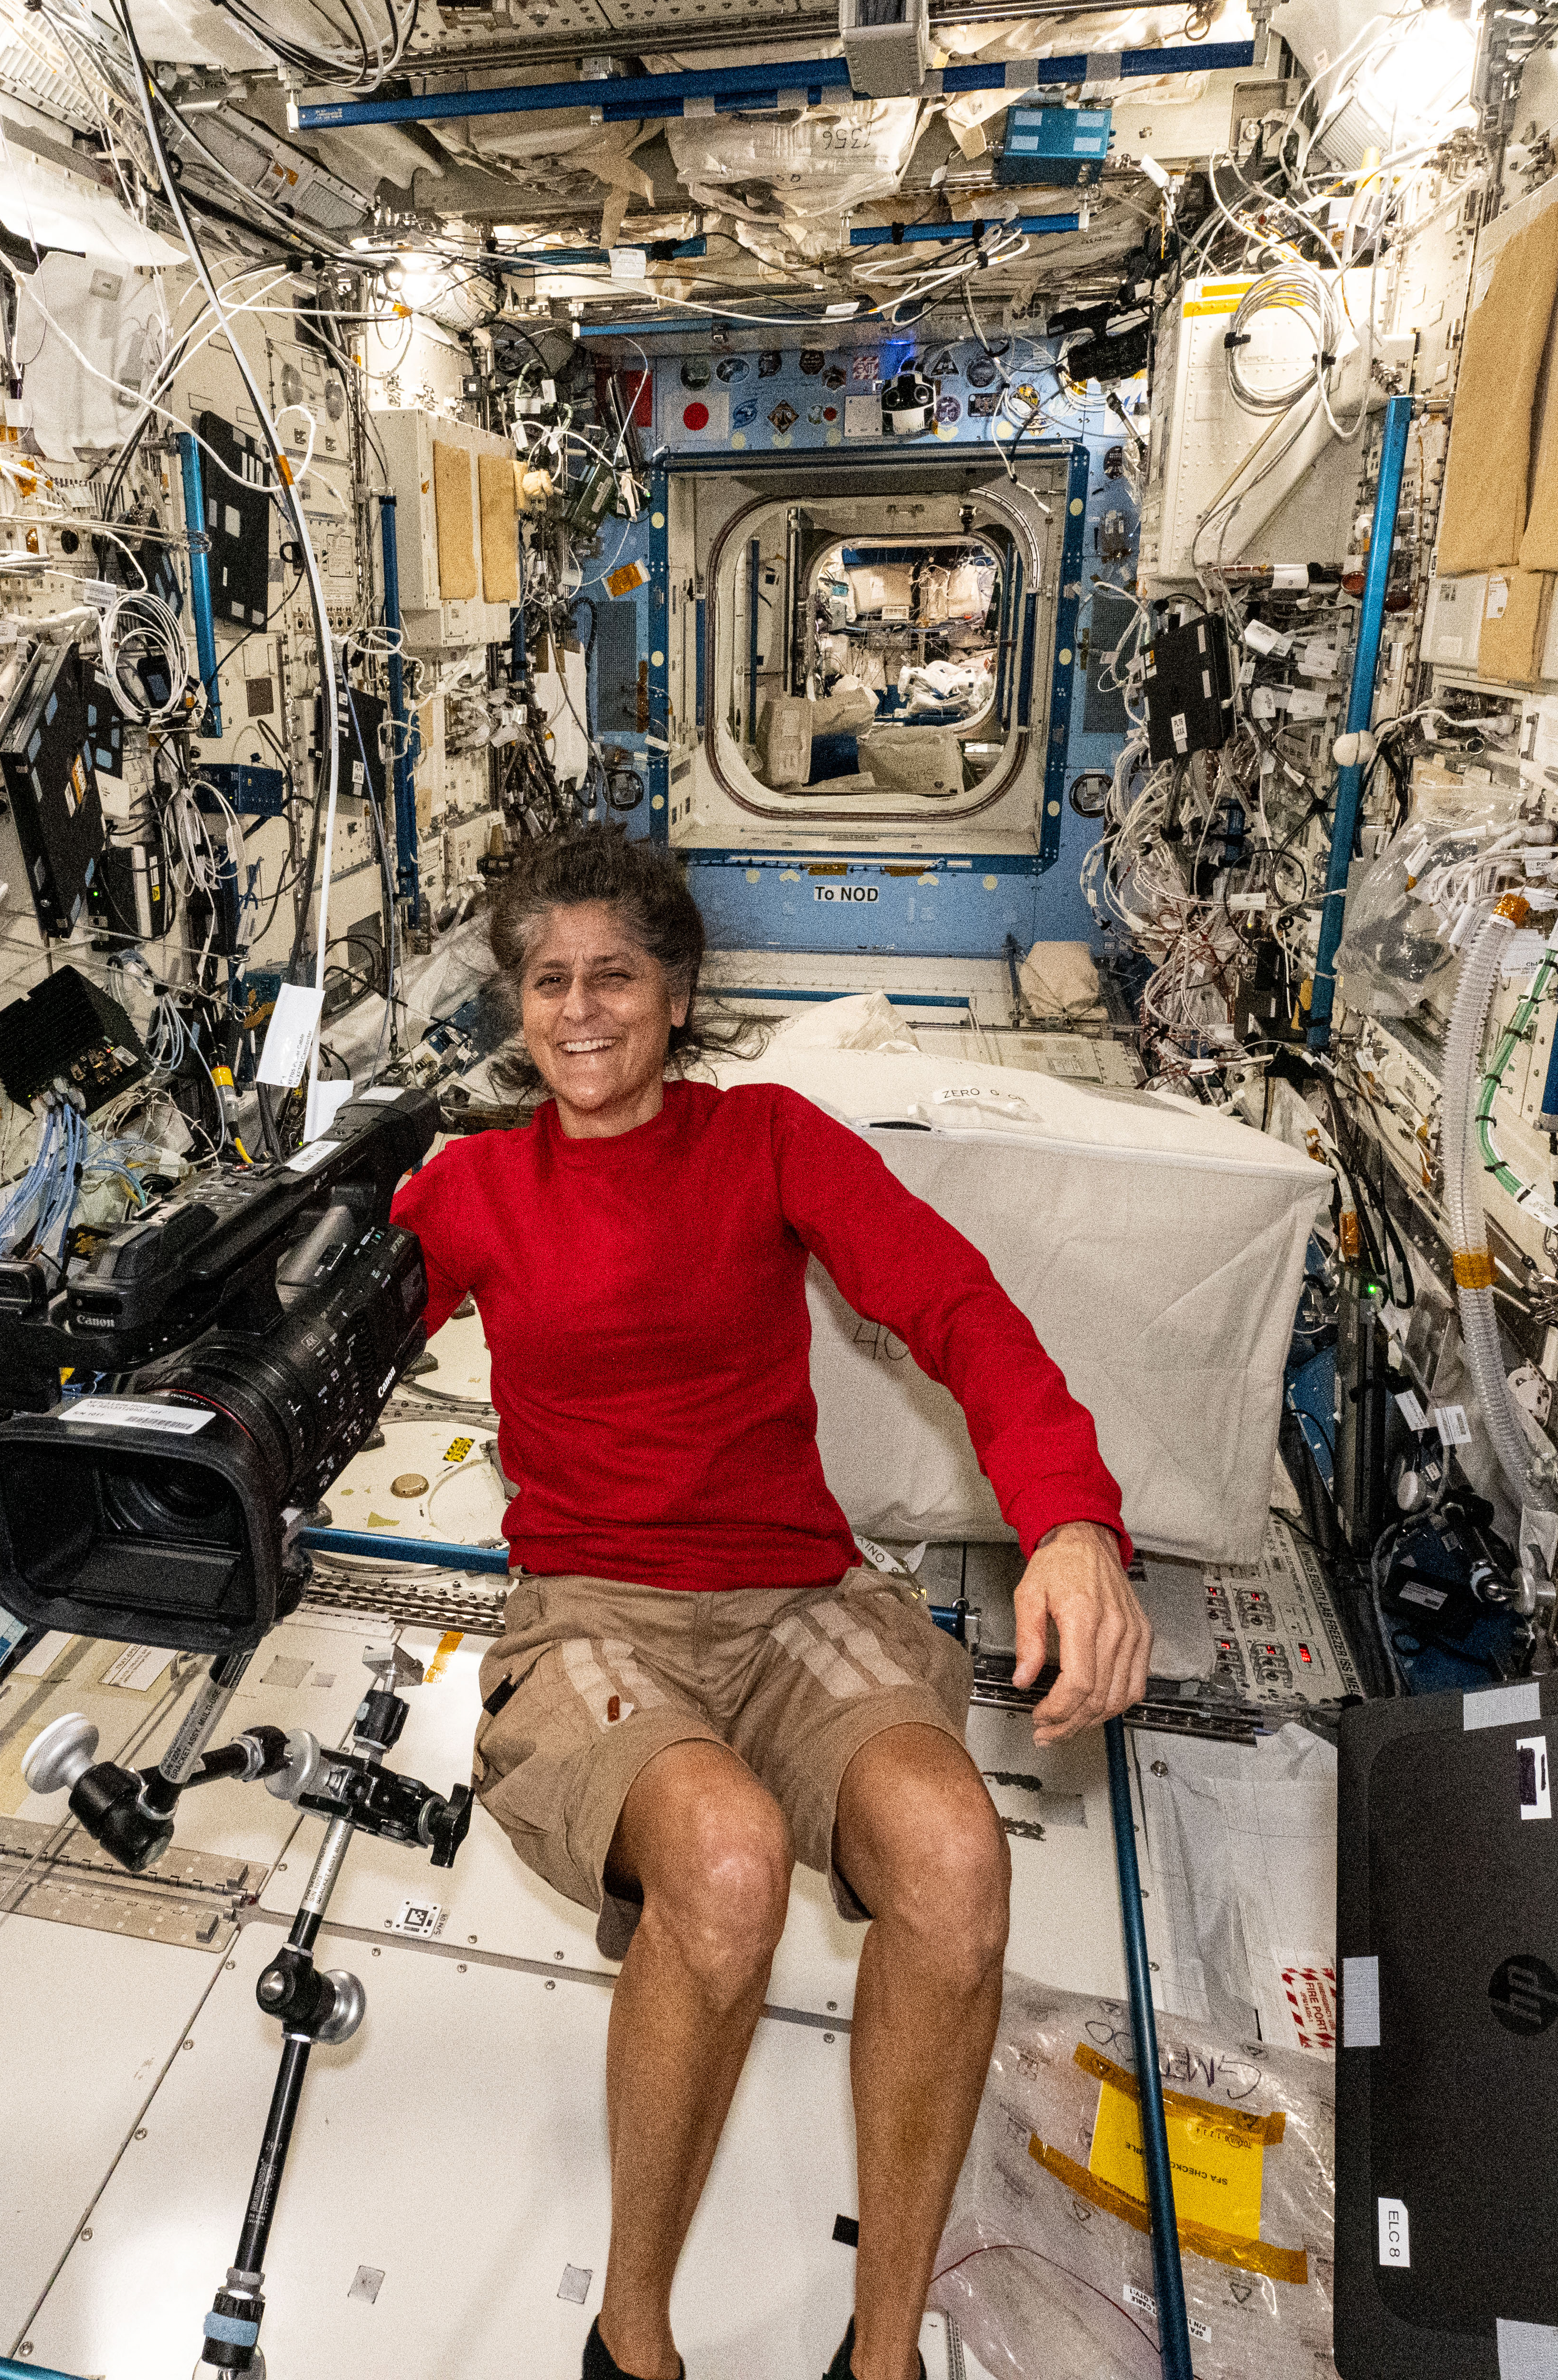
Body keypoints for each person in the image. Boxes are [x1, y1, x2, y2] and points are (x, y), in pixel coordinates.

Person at [391, 827, 1148, 2380]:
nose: (581, 1011)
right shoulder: (472, 1190)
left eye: (616, 975)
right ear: (515, 1006)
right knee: (725, 1864)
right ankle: (637, 2341)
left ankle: (884, 2358)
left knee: (954, 1857)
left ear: (676, 992)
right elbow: (301, 1377)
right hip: (595, 1606)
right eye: (548, 981)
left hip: (796, 1590)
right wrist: (60, 1485)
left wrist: (1069, 1519)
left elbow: (958, 1307)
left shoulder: (773, 1142)